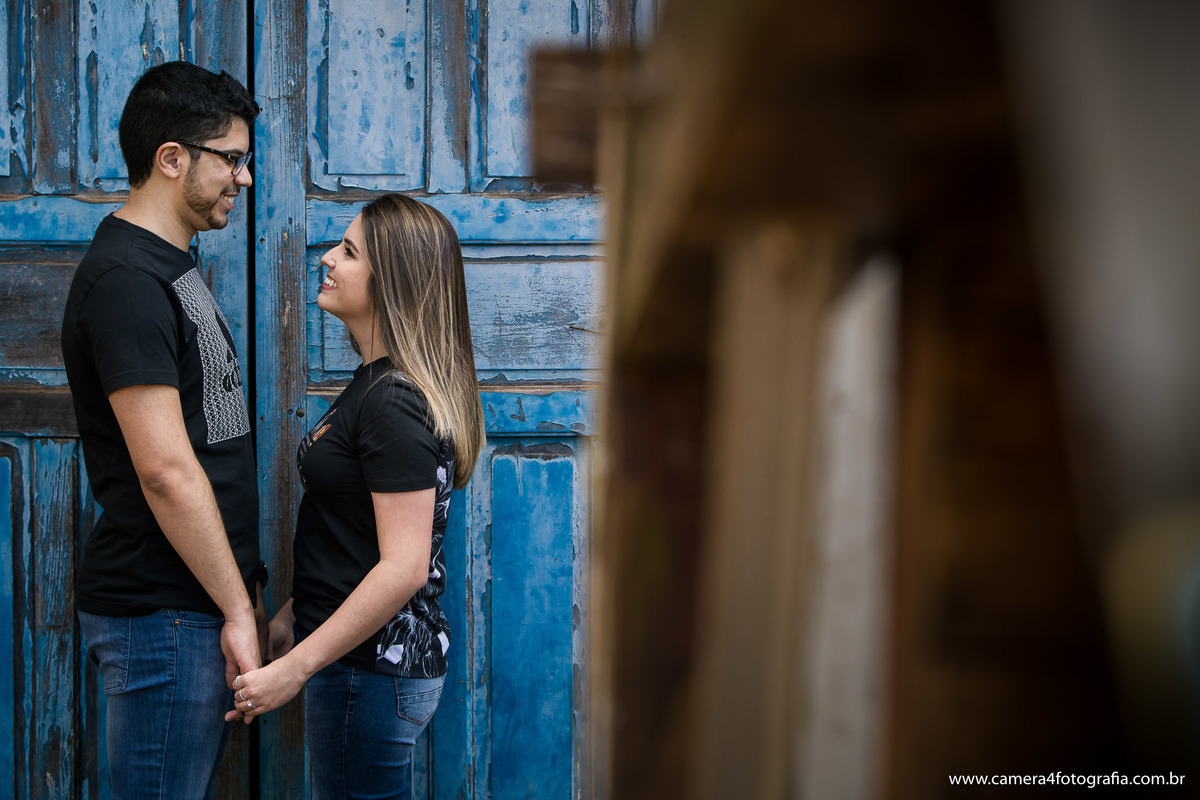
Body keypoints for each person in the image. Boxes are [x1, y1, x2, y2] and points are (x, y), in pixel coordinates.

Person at [228, 193, 485, 799]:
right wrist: (295, 614)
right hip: (360, 665)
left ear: (392, 279)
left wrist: (294, 669)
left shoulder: (393, 401)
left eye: (348, 252)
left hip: (371, 671)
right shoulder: (375, 384)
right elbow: (351, 534)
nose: (327, 259)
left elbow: (403, 566)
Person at [60, 61, 267, 799]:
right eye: (232, 160)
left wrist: (240, 591)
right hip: (164, 614)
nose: (244, 178)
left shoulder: (168, 266)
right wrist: (237, 609)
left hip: (190, 606)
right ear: (172, 158)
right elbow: (166, 471)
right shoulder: (128, 281)